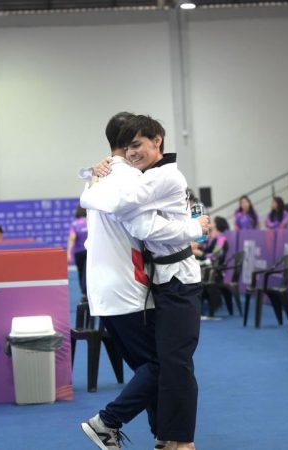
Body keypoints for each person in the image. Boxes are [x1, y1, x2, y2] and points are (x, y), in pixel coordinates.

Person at [81, 115, 206, 450]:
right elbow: (140, 220)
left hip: (174, 280)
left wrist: (90, 187)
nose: (134, 151)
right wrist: (92, 181)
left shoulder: (159, 175)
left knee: (171, 364)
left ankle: (177, 440)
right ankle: (164, 437)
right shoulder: (124, 176)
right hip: (146, 285)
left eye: (139, 144)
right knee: (161, 365)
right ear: (120, 146)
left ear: (158, 141)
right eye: (130, 145)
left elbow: (143, 227)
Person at [67, 206, 89, 298]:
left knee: (81, 272)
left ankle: (84, 292)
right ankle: (87, 291)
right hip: (89, 251)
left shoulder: (75, 224)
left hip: (78, 252)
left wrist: (68, 252)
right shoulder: (90, 222)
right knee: (87, 271)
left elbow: (72, 238)